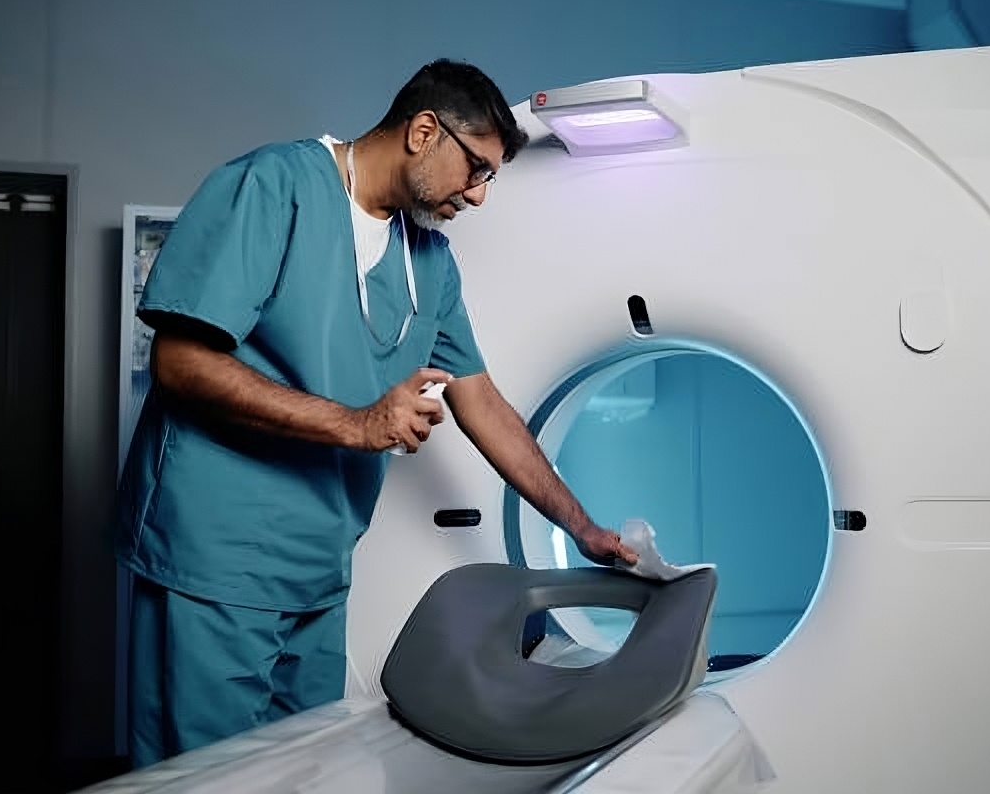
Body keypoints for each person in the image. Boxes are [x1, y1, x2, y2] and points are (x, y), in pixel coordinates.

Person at [115, 58, 638, 769]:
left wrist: (582, 528)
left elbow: (480, 401)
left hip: (319, 566)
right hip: (215, 558)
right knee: (204, 777)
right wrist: (359, 424)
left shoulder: (430, 261)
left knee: (301, 772)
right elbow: (181, 363)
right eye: (476, 169)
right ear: (424, 131)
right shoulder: (273, 187)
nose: (479, 195)